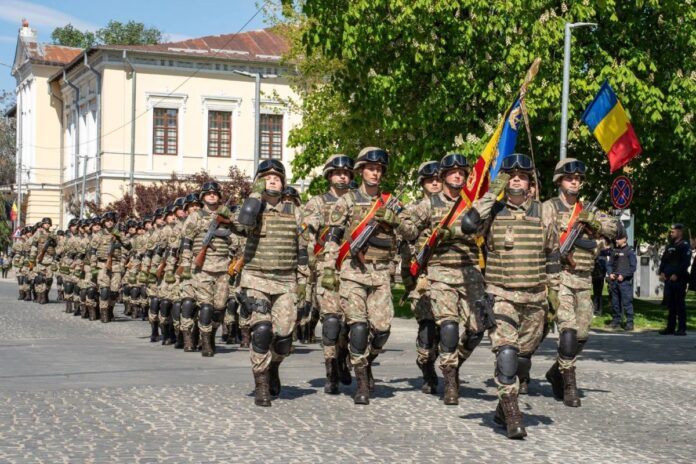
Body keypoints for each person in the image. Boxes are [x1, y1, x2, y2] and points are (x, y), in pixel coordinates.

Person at [461, 153, 560, 439]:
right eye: (511, 176)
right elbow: (467, 225)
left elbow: (552, 253)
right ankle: (513, 413)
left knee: (522, 360)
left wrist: (554, 291)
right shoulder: (492, 211)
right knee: (506, 353)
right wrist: (491, 193)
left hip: (535, 298)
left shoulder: (544, 212)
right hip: (500, 295)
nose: (516, 180)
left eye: (522, 176)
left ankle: (501, 409)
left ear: (530, 182)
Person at [400, 154, 500, 405]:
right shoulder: (430, 204)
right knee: (448, 327)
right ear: (444, 176)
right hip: (441, 272)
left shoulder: (473, 204)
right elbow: (408, 228)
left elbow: (485, 230)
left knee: (479, 326)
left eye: (462, 172)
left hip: (470, 272)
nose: (458, 175)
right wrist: (400, 224)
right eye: (453, 172)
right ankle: (451, 378)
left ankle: (455, 361)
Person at [322, 147, 407, 405]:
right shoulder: (347, 201)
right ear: (361, 171)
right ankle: (361, 381)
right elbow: (333, 237)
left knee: (381, 330)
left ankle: (361, 359)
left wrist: (396, 221)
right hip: (353, 273)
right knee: (358, 327)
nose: (375, 173)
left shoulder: (391, 202)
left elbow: (411, 232)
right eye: (370, 168)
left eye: (379, 169)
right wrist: (329, 268)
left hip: (380, 274)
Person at [234, 160, 309, 406]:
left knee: (284, 339)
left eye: (277, 177)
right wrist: (255, 195)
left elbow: (302, 249)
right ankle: (262, 383)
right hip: (256, 278)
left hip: (286, 281)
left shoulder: (294, 211)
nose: (273, 180)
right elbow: (242, 224)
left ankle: (274, 365)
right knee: (262, 330)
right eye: (267, 177)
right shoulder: (252, 208)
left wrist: (303, 282)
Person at [543, 158, 616, 408]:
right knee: (568, 331)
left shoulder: (589, 209)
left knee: (582, 335)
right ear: (559, 181)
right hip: (560, 276)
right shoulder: (549, 208)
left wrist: (594, 224)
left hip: (584, 279)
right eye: (569, 178)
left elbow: (613, 228)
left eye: (577, 179)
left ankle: (556, 372)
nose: (574, 182)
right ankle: (569, 385)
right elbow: (540, 237)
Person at [301, 154, 355, 394]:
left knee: (355, 323)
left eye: (346, 173)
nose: (342, 177)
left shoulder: (360, 202)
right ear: (329, 176)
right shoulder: (317, 202)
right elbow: (308, 229)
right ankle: (331, 370)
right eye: (337, 173)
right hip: (327, 267)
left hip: (355, 267)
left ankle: (343, 355)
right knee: (332, 321)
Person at [399, 159, 442, 395]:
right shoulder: (414, 210)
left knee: (447, 328)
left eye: (438, 179)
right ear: (422, 183)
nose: (435, 183)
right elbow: (407, 240)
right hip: (422, 276)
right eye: (430, 180)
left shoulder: (452, 208)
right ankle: (426, 366)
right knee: (427, 325)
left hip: (447, 274)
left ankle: (439, 361)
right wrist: (407, 276)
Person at [658, 223, 691, 335]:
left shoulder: (684, 245)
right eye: (671, 231)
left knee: (679, 304)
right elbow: (664, 260)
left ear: (679, 232)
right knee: (670, 304)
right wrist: (661, 272)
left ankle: (682, 328)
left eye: (673, 231)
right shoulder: (670, 245)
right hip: (668, 279)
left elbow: (685, 262)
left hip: (679, 279)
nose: (671, 233)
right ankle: (670, 327)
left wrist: (677, 274)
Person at [607, 225, 637, 330]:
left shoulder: (630, 251)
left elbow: (633, 267)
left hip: (624, 282)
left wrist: (624, 276)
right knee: (615, 302)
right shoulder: (614, 251)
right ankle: (616, 321)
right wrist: (610, 273)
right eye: (616, 238)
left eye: (618, 239)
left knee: (627, 302)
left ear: (624, 239)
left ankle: (629, 322)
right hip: (614, 281)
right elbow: (609, 264)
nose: (616, 240)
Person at [591, 249, 609, 316]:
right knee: (596, 293)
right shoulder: (597, 255)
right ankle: (596, 310)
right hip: (595, 275)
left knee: (598, 293)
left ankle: (598, 310)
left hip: (599, 275)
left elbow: (605, 266)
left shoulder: (602, 255)